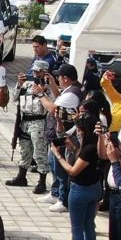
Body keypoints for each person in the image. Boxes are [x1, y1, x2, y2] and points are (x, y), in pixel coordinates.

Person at [51, 114, 102, 240]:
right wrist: (72, 148)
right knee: (89, 227)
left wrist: (58, 156)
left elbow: (73, 171)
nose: (77, 133)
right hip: (95, 189)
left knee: (77, 230)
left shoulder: (88, 148)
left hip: (80, 190)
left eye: (79, 130)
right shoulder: (94, 146)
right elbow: (84, 161)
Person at [38, 63, 83, 212]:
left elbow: (53, 108)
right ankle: (55, 192)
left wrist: (40, 94)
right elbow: (59, 100)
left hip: (66, 135)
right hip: (59, 134)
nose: (57, 79)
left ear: (65, 78)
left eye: (58, 77)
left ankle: (63, 199)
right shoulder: (70, 90)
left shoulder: (73, 93)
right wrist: (52, 86)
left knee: (60, 167)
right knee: (53, 163)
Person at [5, 60, 51, 193]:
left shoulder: (48, 87)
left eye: (39, 71)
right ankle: (21, 177)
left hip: (39, 121)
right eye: (34, 71)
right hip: (24, 120)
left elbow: (52, 104)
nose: (35, 73)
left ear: (45, 72)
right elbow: (14, 98)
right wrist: (19, 85)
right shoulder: (27, 85)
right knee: (25, 149)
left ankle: (42, 181)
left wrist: (43, 92)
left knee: (39, 151)